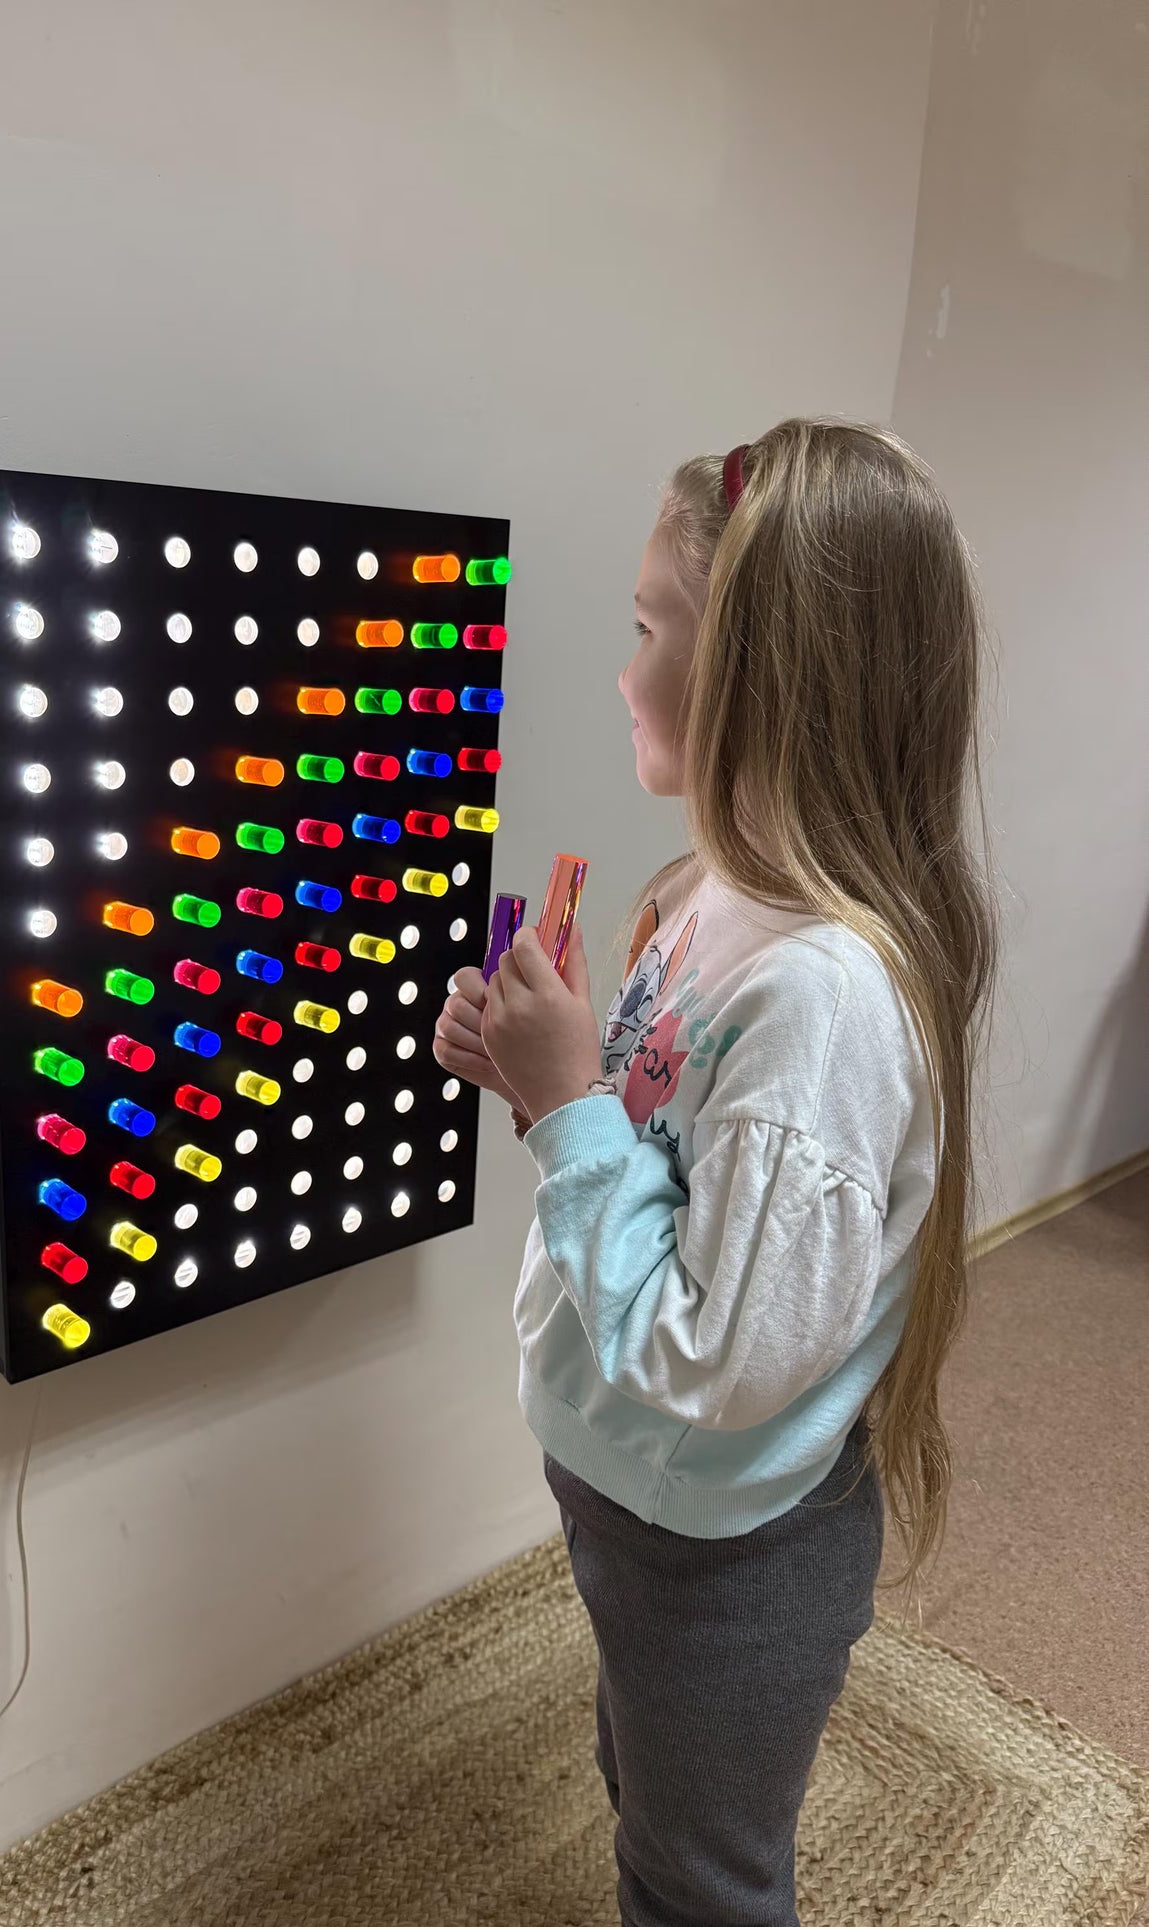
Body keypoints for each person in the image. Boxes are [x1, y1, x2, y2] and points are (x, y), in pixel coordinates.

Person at [434, 419, 998, 1927]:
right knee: (651, 1783)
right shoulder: (702, 899)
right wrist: (540, 1083)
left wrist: (567, 1111)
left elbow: (716, 1350)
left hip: (726, 1547)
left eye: (645, 630)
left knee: (697, 1877)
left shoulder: (817, 1003)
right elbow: (655, 1170)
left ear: (763, 677)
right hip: (640, 1498)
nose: (619, 673)